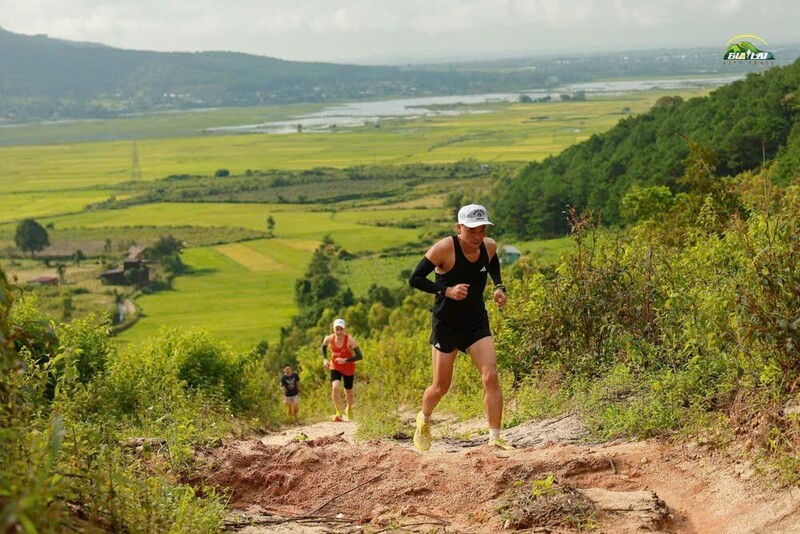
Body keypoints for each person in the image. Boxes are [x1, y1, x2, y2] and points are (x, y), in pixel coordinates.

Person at [408, 203, 511, 451]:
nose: (478, 237)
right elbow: (415, 279)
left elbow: (492, 261)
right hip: (447, 323)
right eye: (472, 230)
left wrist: (499, 286)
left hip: (476, 320)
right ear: (460, 227)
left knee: (491, 376)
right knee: (440, 386)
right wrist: (446, 290)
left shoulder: (489, 245)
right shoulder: (445, 248)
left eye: (482, 230)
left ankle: (495, 440)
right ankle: (424, 418)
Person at [321, 318, 363, 421]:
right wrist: (325, 359)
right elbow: (323, 347)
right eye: (337, 329)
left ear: (344, 329)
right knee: (335, 386)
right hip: (335, 366)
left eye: (341, 329)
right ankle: (338, 411)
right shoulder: (329, 339)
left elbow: (359, 356)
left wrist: (345, 360)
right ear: (333, 329)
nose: (339, 332)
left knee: (348, 390)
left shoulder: (350, 340)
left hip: (348, 367)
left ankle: (349, 408)